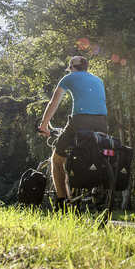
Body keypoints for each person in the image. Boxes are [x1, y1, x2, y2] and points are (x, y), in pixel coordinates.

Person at [38, 56, 108, 209]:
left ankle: (62, 201)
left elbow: (54, 102)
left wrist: (44, 125)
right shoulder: (98, 80)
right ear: (86, 67)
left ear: (71, 67)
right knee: (91, 153)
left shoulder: (69, 78)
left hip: (79, 121)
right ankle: (94, 188)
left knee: (56, 160)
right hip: (102, 123)